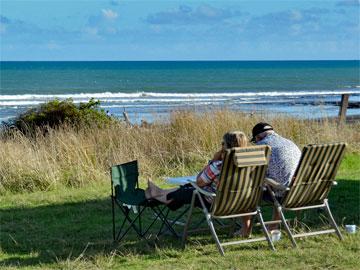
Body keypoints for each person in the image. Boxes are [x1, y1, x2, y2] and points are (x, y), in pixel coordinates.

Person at [145, 131, 251, 236]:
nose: (221, 146)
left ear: (227, 147)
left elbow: (200, 181)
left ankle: (161, 197)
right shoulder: (250, 163)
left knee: (188, 191)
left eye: (223, 143)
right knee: (189, 187)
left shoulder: (219, 165)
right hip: (243, 202)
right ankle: (160, 192)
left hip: (217, 203)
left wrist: (213, 161)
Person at [251, 122, 301, 229]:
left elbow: (251, 173)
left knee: (249, 189)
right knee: (278, 178)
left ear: (258, 137)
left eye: (255, 140)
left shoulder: (261, 147)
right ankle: (275, 224)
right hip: (301, 190)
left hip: (282, 192)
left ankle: (246, 228)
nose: (256, 143)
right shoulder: (290, 143)